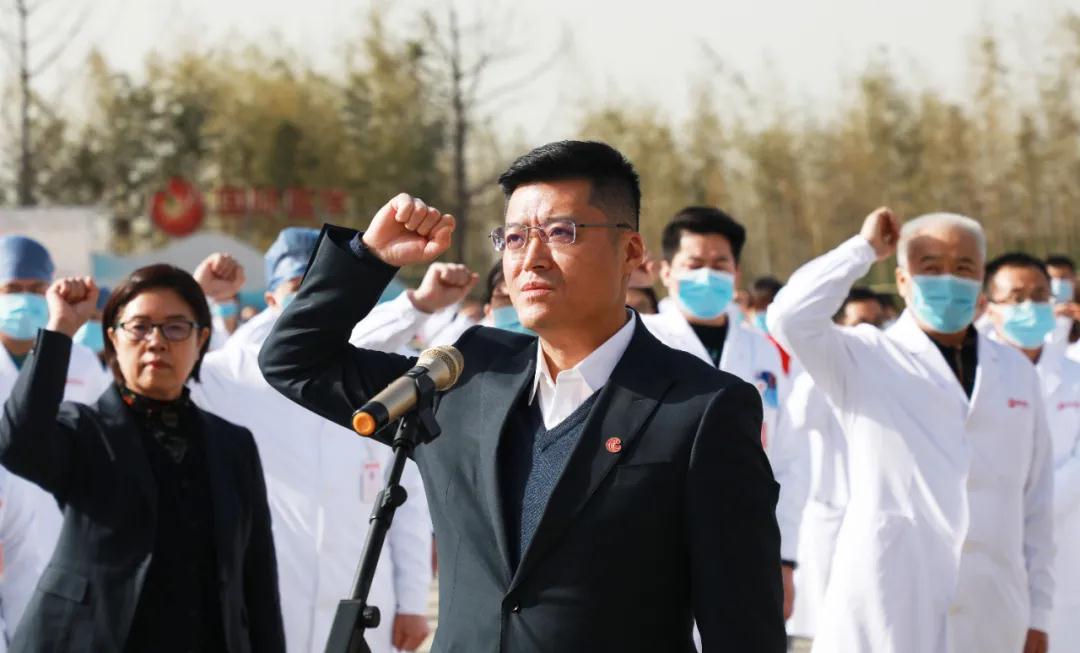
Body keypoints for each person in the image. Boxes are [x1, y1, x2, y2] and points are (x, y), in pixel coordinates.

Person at [260, 140, 786, 652]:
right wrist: (369, 257)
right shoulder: (465, 377)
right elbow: (295, 362)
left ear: (630, 252)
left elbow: (743, 628)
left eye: (561, 232)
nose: (531, 258)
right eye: (513, 237)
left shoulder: (701, 409)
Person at [767, 208, 1054, 653]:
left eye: (963, 268)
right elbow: (789, 317)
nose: (948, 281)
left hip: (993, 606)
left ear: (981, 281)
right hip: (888, 602)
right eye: (931, 268)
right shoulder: (864, 357)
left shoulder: (1016, 372)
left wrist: (1039, 614)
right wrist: (863, 250)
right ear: (902, 281)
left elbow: (1036, 503)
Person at [190, 246, 460, 653]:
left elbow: (407, 498)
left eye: (323, 286)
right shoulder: (229, 372)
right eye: (298, 286)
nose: (312, 300)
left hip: (362, 596)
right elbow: (163, 371)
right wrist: (198, 292)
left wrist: (411, 602)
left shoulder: (368, 377)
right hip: (273, 593)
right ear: (271, 298)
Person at [0, 266, 284, 652]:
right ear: (113, 338)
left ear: (201, 339)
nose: (156, 342)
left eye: (175, 328)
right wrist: (60, 330)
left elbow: (257, 581)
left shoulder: (233, 446)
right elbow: (18, 445)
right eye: (139, 327)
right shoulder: (85, 431)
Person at [641, 206, 806, 619]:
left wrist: (785, 558)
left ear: (736, 273)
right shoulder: (640, 340)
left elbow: (785, 457)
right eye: (694, 264)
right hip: (655, 541)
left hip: (747, 540)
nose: (707, 275)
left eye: (719, 265)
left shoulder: (761, 350)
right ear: (665, 271)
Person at [0, 236, 111, 648]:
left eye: (35, 289)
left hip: (60, 524)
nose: (24, 299)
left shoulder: (78, 361)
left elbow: (102, 438)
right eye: (12, 288)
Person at [981, 252, 1080, 652]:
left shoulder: (1074, 376)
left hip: (1067, 548)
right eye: (1016, 298)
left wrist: (1042, 501)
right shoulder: (973, 377)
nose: (1029, 307)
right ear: (989, 307)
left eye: (1040, 296)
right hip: (992, 547)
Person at [786, 287, 885, 644]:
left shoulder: (891, 379)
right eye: (859, 323)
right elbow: (798, 419)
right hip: (831, 515)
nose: (869, 332)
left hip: (880, 517)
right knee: (827, 629)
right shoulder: (817, 377)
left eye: (877, 323)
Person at [1046, 255, 1080, 360]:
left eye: (1063, 278)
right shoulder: (1037, 306)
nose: (1058, 283)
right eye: (1052, 278)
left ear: (1075, 278)